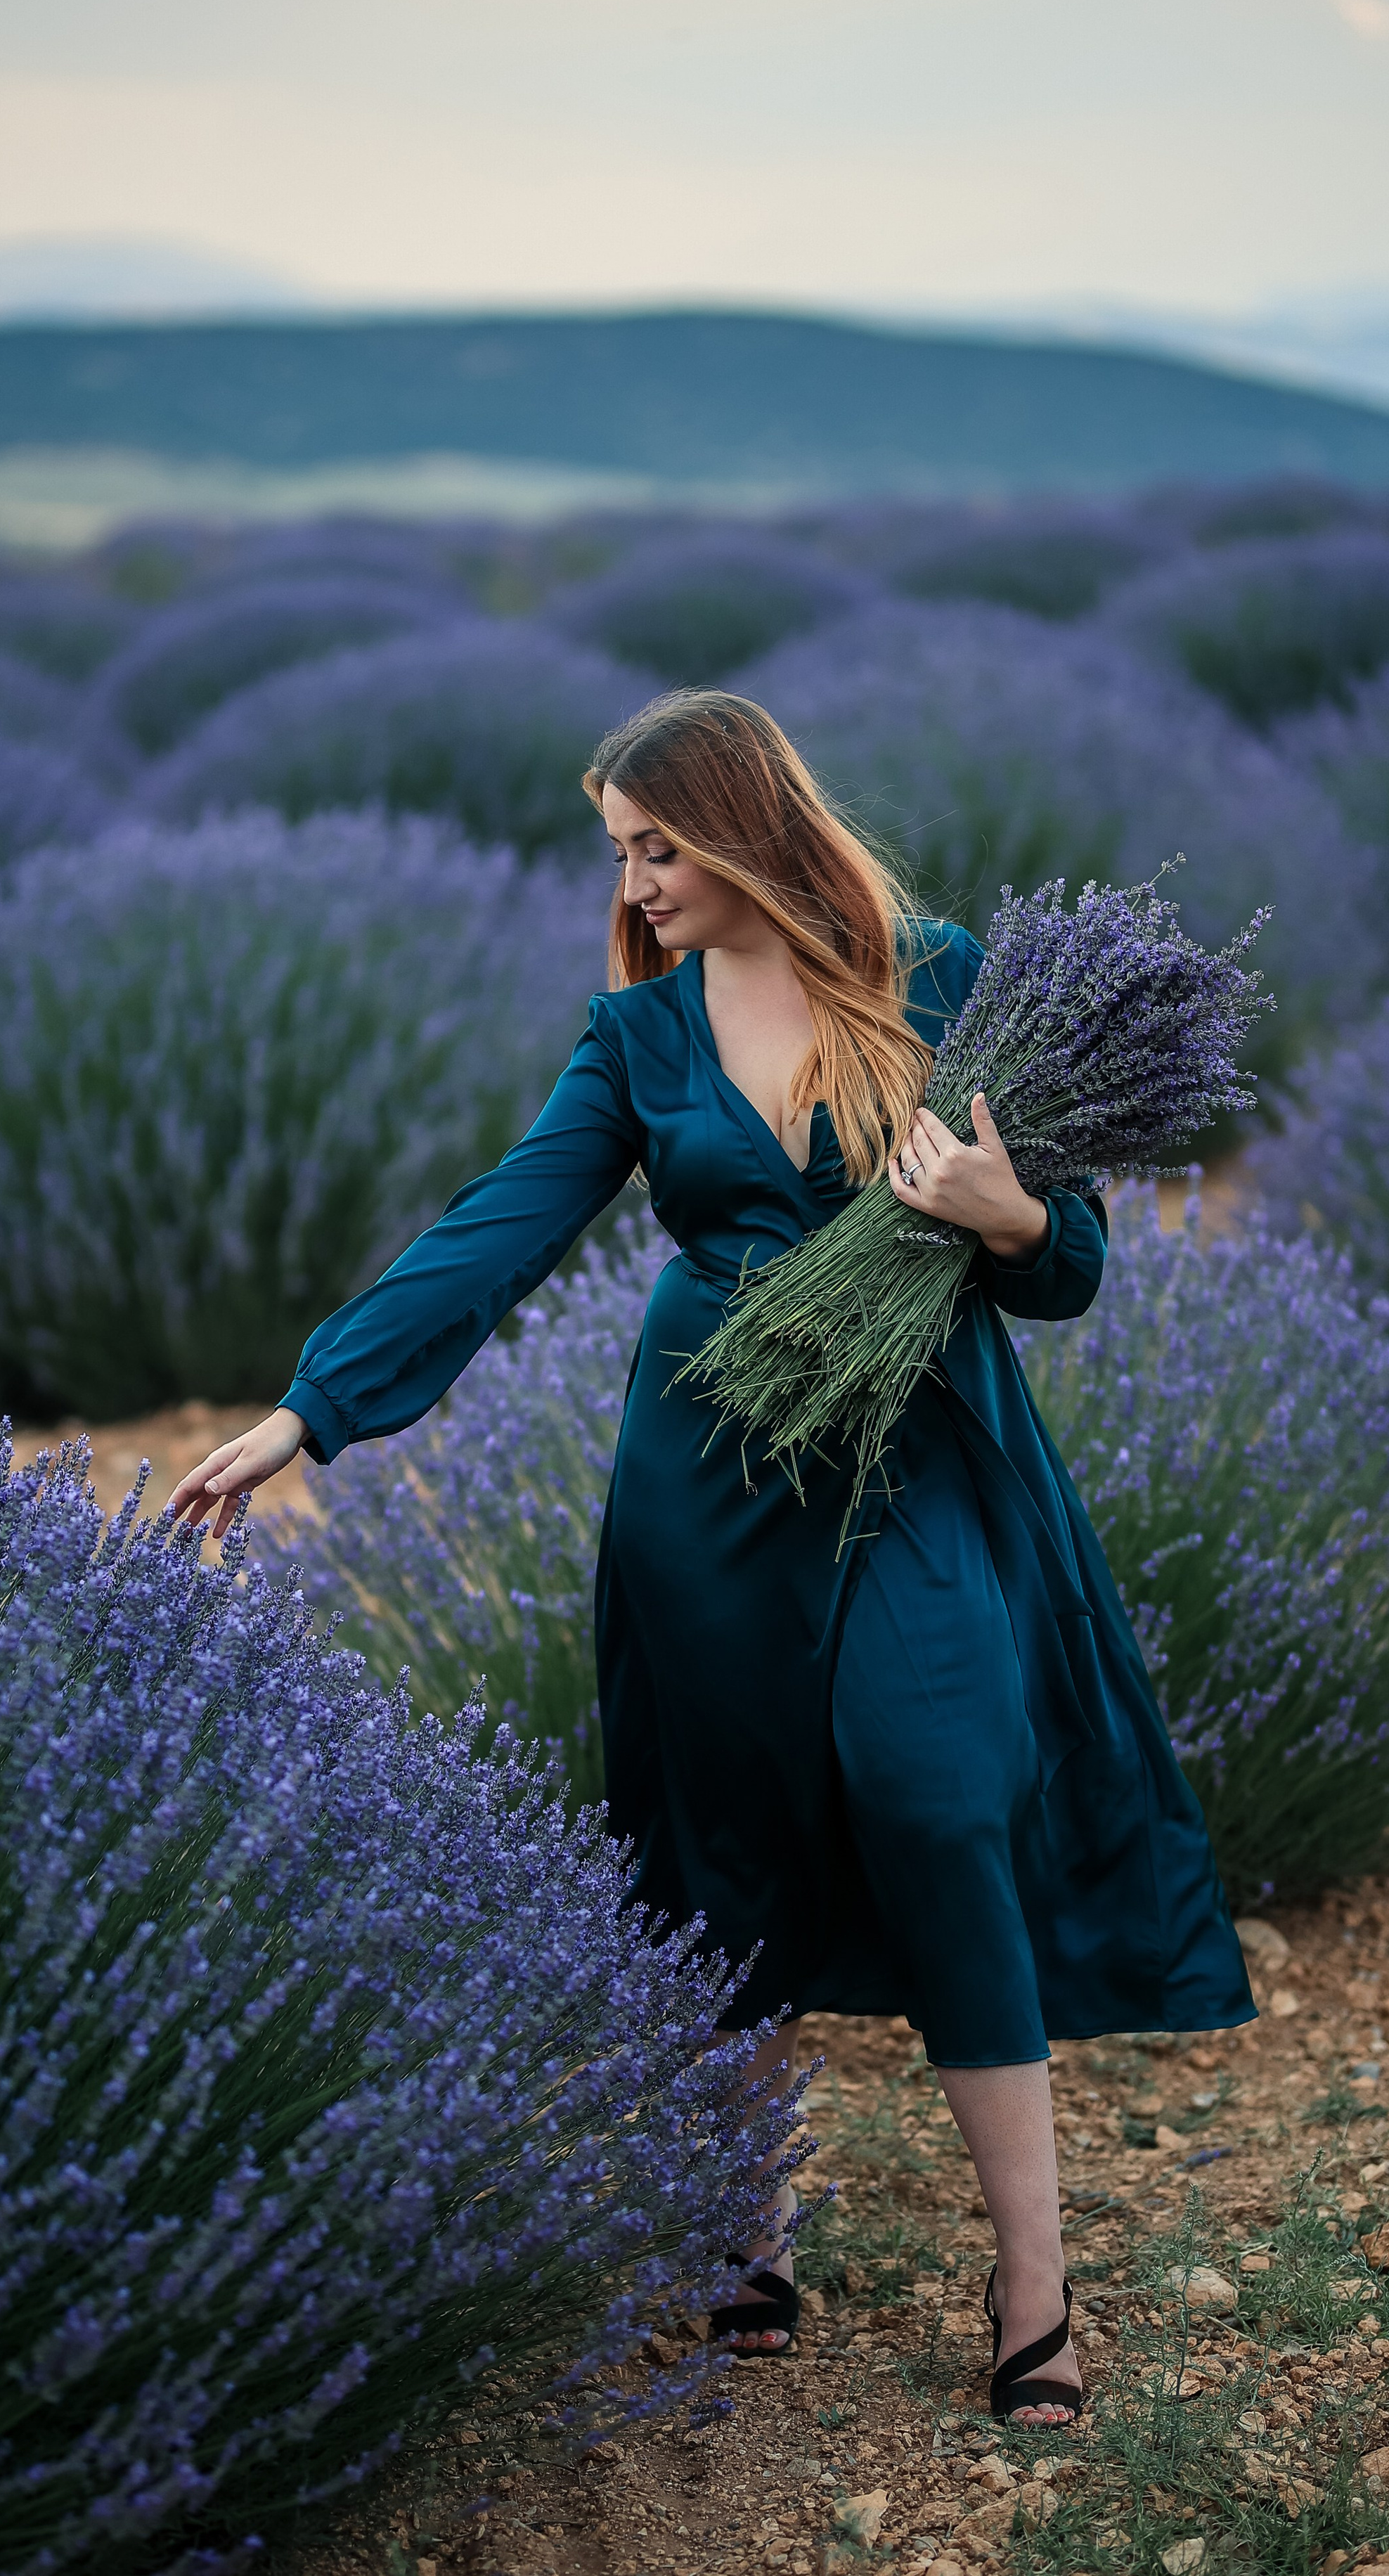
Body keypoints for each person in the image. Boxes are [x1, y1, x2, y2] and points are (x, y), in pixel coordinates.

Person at [169, 688, 1255, 2422]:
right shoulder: (640, 1038)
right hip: (708, 1474)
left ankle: (1033, 2282)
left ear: (747, 824)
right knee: (724, 1842)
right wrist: (313, 1411)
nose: (635, 878)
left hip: (917, 1460)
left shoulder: (946, 976)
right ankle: (741, 2228)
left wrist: (1009, 1218)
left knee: (937, 1801)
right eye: (618, 850)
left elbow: (1065, 1273)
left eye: (656, 843)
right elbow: (497, 1229)